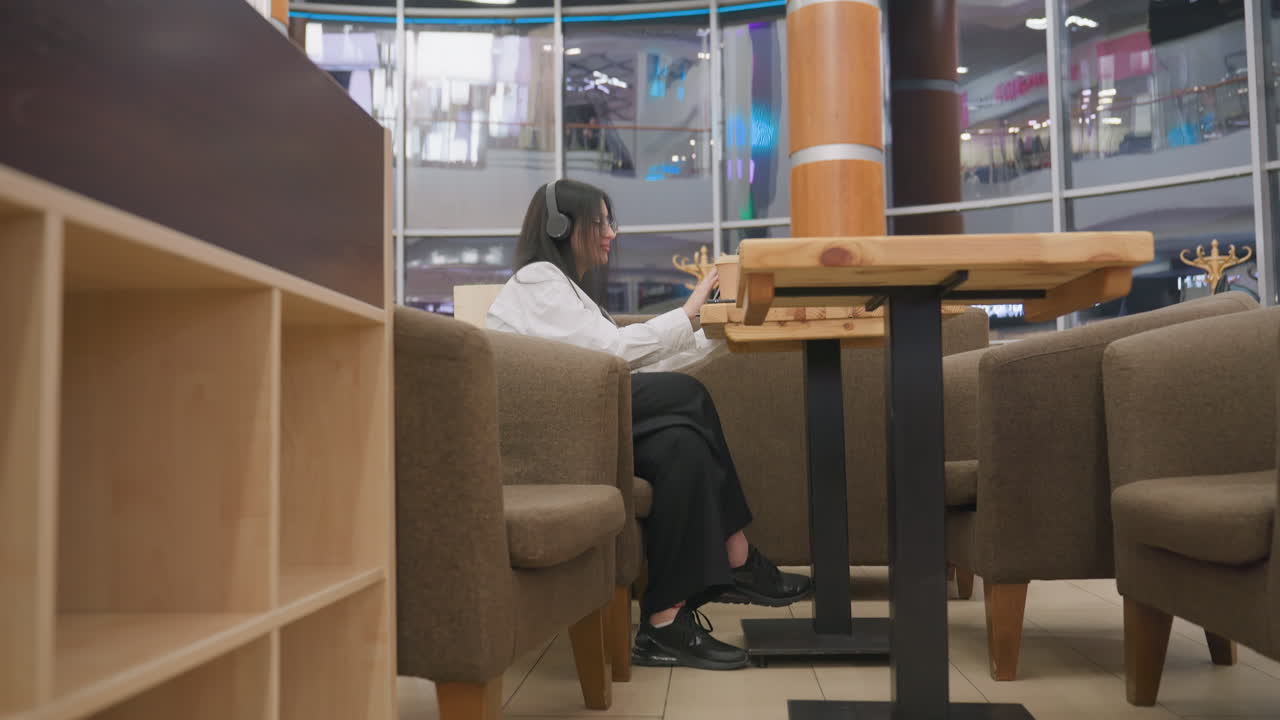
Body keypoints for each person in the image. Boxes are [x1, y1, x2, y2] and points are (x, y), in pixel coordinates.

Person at [486, 179, 812, 671]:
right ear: (561, 227)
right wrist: (688, 312)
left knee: (681, 446)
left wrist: (718, 331)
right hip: (550, 435)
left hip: (586, 423)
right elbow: (616, 358)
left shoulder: (567, 292)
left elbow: (635, 370)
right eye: (601, 223)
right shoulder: (538, 282)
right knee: (687, 399)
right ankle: (737, 556)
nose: (611, 234)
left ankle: (663, 623)